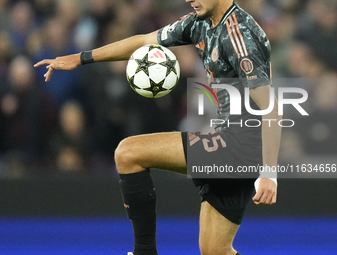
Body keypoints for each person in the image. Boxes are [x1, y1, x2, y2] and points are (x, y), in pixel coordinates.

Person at [34, 0, 280, 254]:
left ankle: (144, 252)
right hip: (233, 141)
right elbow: (144, 41)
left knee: (129, 152)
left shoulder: (240, 35)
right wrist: (81, 58)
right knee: (215, 251)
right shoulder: (199, 23)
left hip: (239, 146)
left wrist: (269, 173)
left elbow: (270, 106)